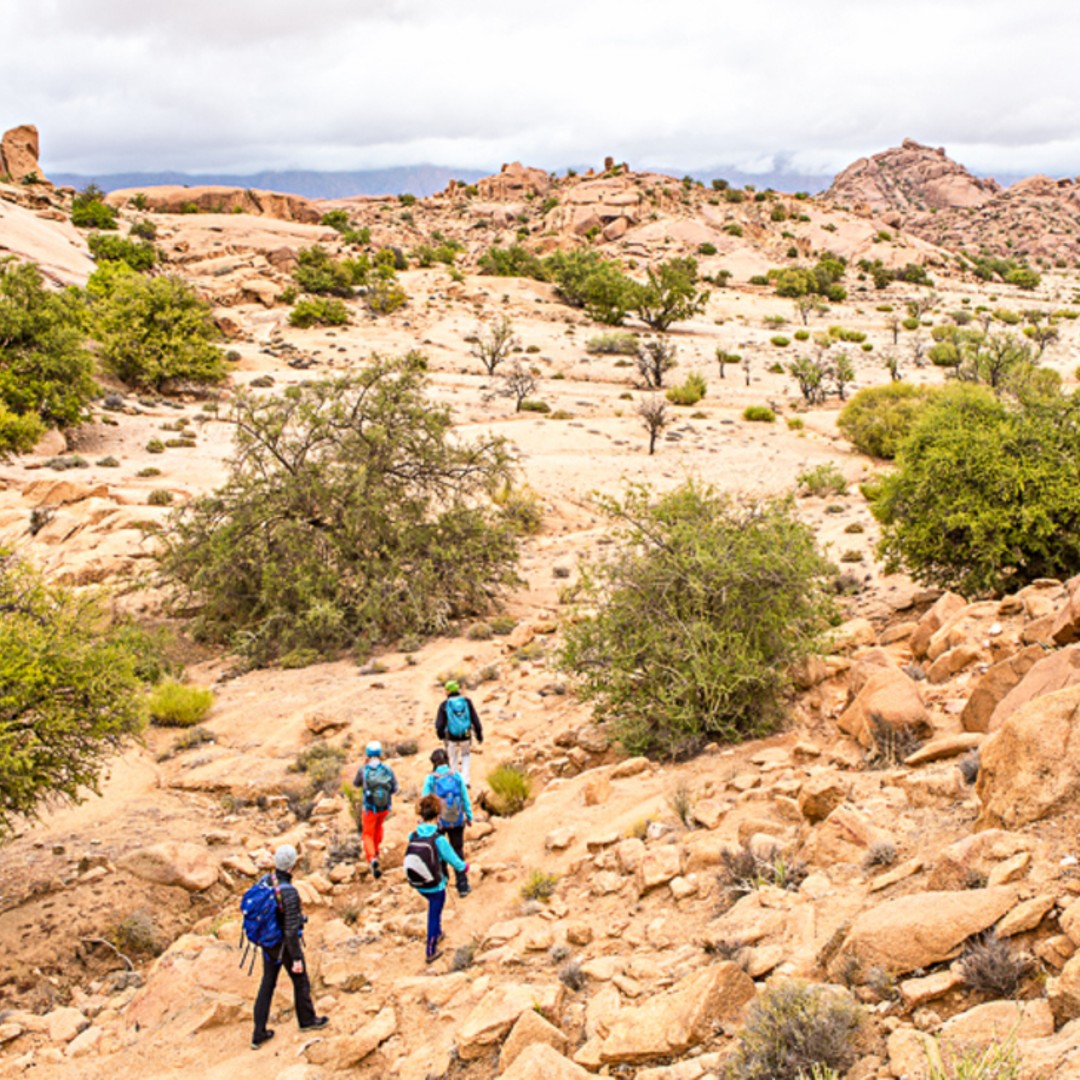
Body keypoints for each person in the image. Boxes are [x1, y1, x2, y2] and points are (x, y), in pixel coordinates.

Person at [251, 845, 329, 1050]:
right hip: (284, 944)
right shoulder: (289, 892)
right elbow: (291, 929)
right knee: (300, 980)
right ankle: (307, 1020)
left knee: (267, 984)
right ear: (291, 865)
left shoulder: (267, 881)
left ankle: (258, 1033)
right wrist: (295, 958)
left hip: (268, 943)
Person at [404, 795, 468, 964]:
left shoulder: (414, 834)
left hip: (418, 882)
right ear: (438, 815)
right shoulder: (438, 838)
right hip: (435, 884)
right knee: (435, 911)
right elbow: (452, 858)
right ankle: (431, 949)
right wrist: (464, 868)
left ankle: (438, 933)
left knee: (433, 905)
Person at [421, 748, 473, 896]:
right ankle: (462, 885)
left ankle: (443, 883)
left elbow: (425, 800)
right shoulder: (456, 776)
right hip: (457, 819)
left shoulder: (431, 779)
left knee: (440, 851)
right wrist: (468, 816)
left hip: (440, 821)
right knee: (457, 850)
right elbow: (464, 797)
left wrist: (424, 821)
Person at [352, 741, 398, 880]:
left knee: (367, 834)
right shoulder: (387, 769)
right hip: (384, 807)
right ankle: (376, 851)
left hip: (369, 807)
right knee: (379, 827)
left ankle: (372, 858)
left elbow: (355, 784)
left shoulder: (363, 770)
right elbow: (395, 788)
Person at [435, 680, 483, 785]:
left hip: (451, 736)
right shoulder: (467, 702)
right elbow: (475, 719)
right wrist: (479, 734)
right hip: (466, 734)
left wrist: (441, 734)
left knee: (453, 757)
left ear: (448, 691)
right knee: (466, 755)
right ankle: (466, 780)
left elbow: (439, 724)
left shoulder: (445, 705)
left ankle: (456, 781)